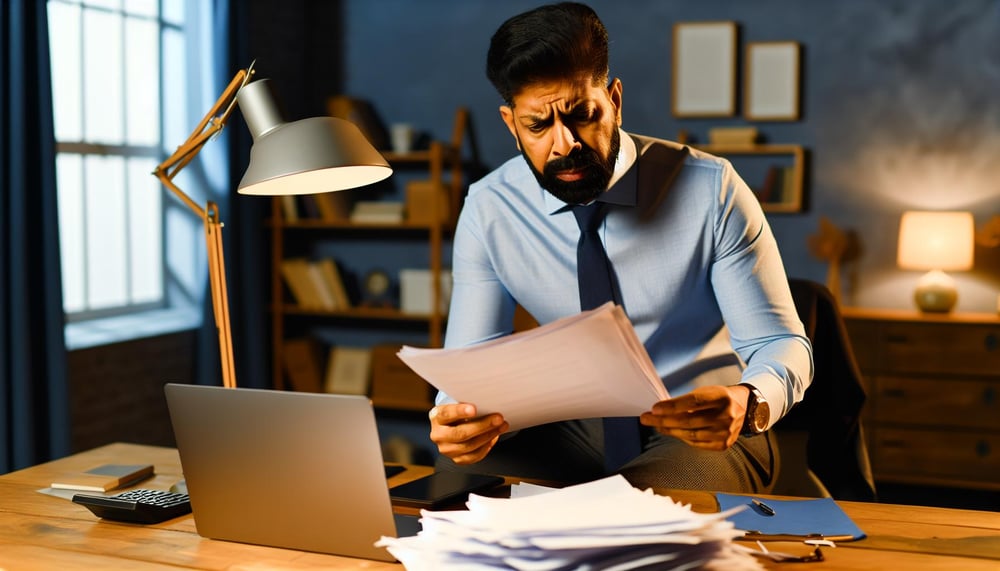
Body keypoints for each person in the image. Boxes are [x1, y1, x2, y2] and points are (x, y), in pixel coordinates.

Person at [428, 2, 813, 493]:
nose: (564, 144)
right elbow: (471, 361)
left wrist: (747, 401)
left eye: (583, 115)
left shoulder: (711, 188)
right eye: (538, 126)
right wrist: (456, 416)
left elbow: (779, 343)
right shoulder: (489, 208)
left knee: (639, 522)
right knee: (455, 498)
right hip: (570, 424)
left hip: (698, 425)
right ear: (510, 124)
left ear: (614, 99)